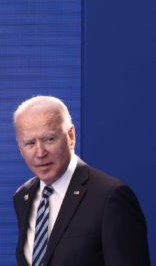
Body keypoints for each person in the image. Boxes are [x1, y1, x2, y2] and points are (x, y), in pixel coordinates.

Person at [12, 95, 150, 266]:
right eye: (30, 143)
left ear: (70, 136)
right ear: (20, 148)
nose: (40, 153)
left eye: (49, 139)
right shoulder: (23, 197)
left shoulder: (110, 197)